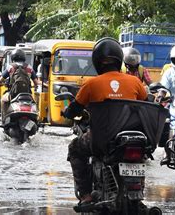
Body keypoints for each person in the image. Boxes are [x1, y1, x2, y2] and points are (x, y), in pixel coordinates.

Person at [63, 38, 147, 208]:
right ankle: (138, 194)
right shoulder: (135, 82)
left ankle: (85, 195)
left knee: (75, 149)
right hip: (131, 137)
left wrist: (68, 113)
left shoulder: (91, 84)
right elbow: (146, 105)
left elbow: (74, 110)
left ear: (96, 62)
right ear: (119, 60)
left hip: (102, 139)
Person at [0, 48, 38, 119]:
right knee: (35, 102)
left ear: (13, 57)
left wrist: (2, 83)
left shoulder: (11, 67)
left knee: (3, 100)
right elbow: (36, 83)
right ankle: (36, 118)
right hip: (27, 94)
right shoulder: (29, 67)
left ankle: (5, 118)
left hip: (13, 94)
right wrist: (35, 86)